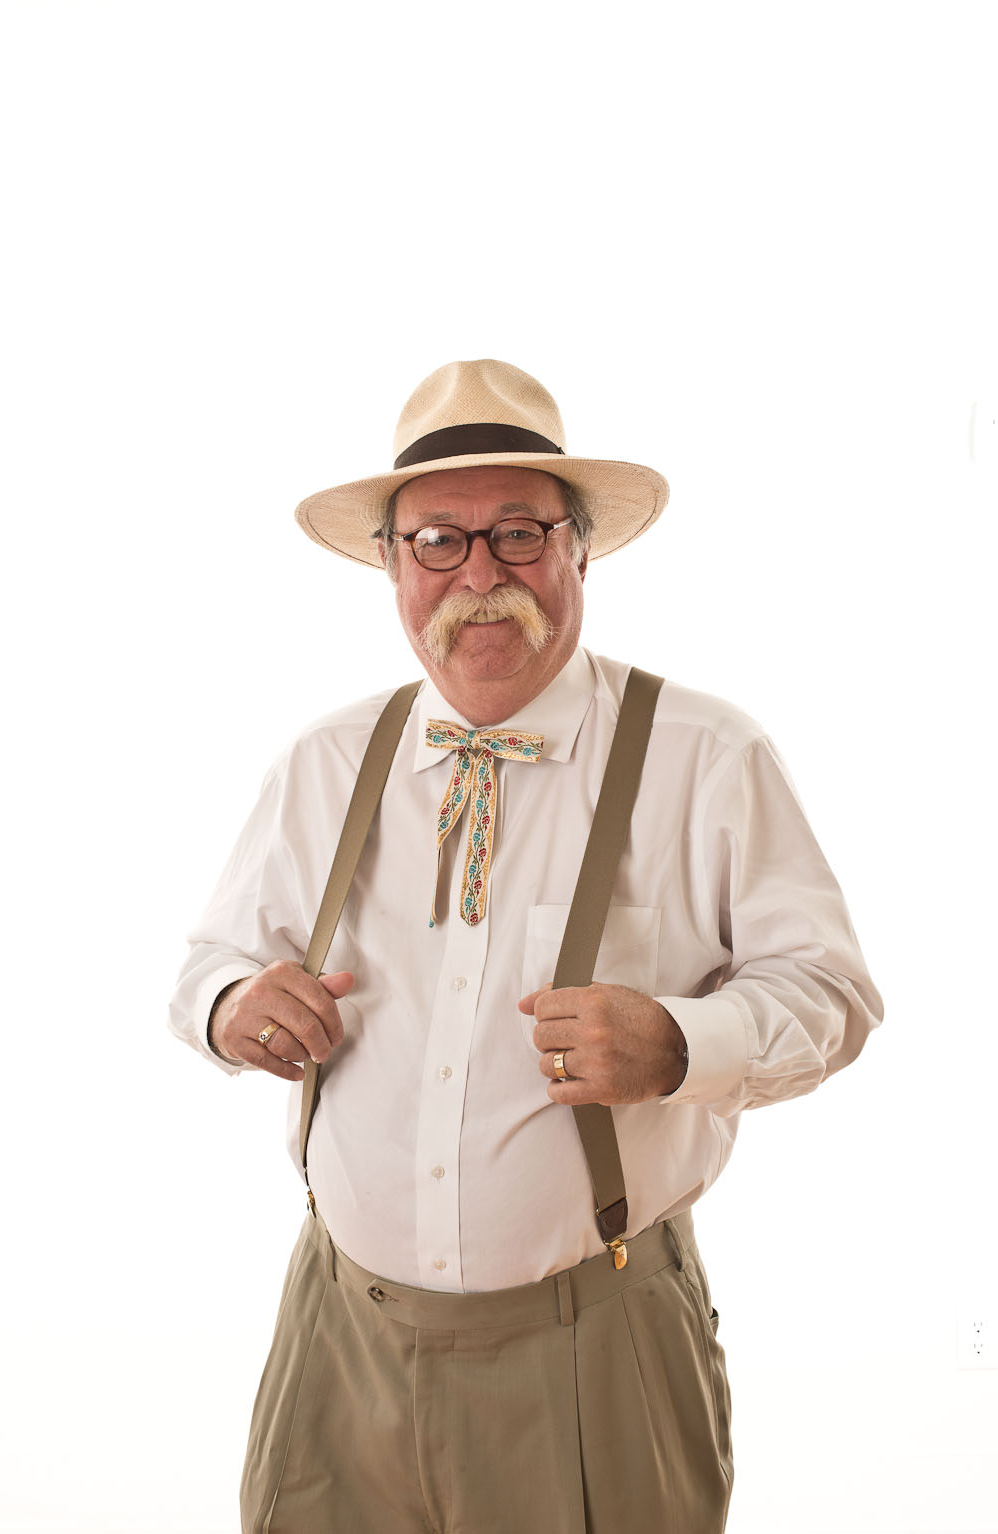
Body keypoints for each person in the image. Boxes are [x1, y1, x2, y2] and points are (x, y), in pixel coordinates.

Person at [169, 358, 883, 1534]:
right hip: (338, 1340)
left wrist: (678, 1042)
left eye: (517, 532)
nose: (479, 573)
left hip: (594, 1358)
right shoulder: (325, 761)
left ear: (579, 551)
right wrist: (231, 1005)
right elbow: (210, 962)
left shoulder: (708, 755)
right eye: (438, 541)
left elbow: (831, 995)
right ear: (393, 565)